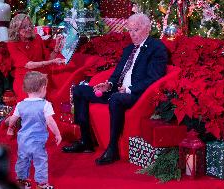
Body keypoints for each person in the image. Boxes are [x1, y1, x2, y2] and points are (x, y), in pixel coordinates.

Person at [62, 13, 168, 165]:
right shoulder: (129, 49)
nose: (132, 34)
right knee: (79, 90)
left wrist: (129, 89)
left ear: (147, 29)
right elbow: (116, 74)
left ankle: (113, 149)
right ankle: (86, 141)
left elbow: (154, 78)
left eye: (136, 30)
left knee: (116, 99)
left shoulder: (156, 48)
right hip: (117, 90)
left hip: (136, 94)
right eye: (130, 31)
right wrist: (109, 85)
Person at [7, 71, 62, 189]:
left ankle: (21, 182)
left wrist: (10, 128)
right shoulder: (45, 104)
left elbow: (13, 119)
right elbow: (50, 121)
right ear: (43, 88)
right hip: (38, 141)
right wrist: (57, 134)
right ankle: (41, 184)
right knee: (40, 161)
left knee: (22, 160)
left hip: (23, 141)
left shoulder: (20, 105)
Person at [8, 13, 65, 102]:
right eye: (24, 27)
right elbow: (29, 65)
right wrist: (53, 61)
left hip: (41, 77)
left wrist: (56, 50)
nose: (29, 29)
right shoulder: (12, 44)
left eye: (30, 25)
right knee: (29, 106)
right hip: (25, 79)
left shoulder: (37, 38)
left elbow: (47, 59)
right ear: (16, 29)